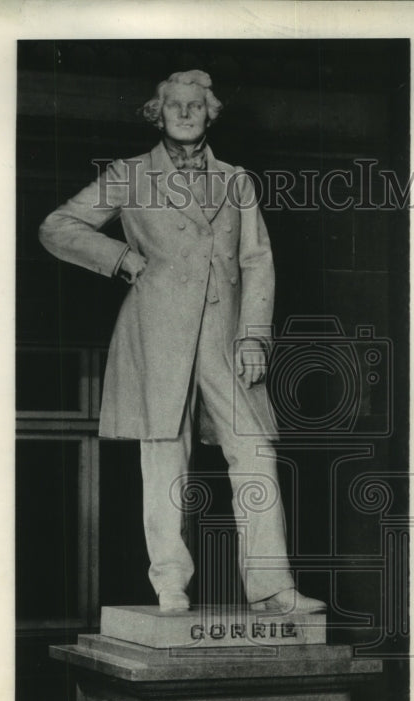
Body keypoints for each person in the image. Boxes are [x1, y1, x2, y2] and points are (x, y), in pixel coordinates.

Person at [39, 70, 325, 616]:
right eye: (176, 105)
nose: (187, 113)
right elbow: (58, 227)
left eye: (197, 105)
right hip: (158, 335)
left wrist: (256, 337)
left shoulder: (237, 180)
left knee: (256, 453)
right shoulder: (127, 175)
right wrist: (120, 259)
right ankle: (170, 584)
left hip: (225, 338)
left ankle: (272, 588)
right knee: (165, 461)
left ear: (209, 113)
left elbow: (257, 262)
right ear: (159, 111)